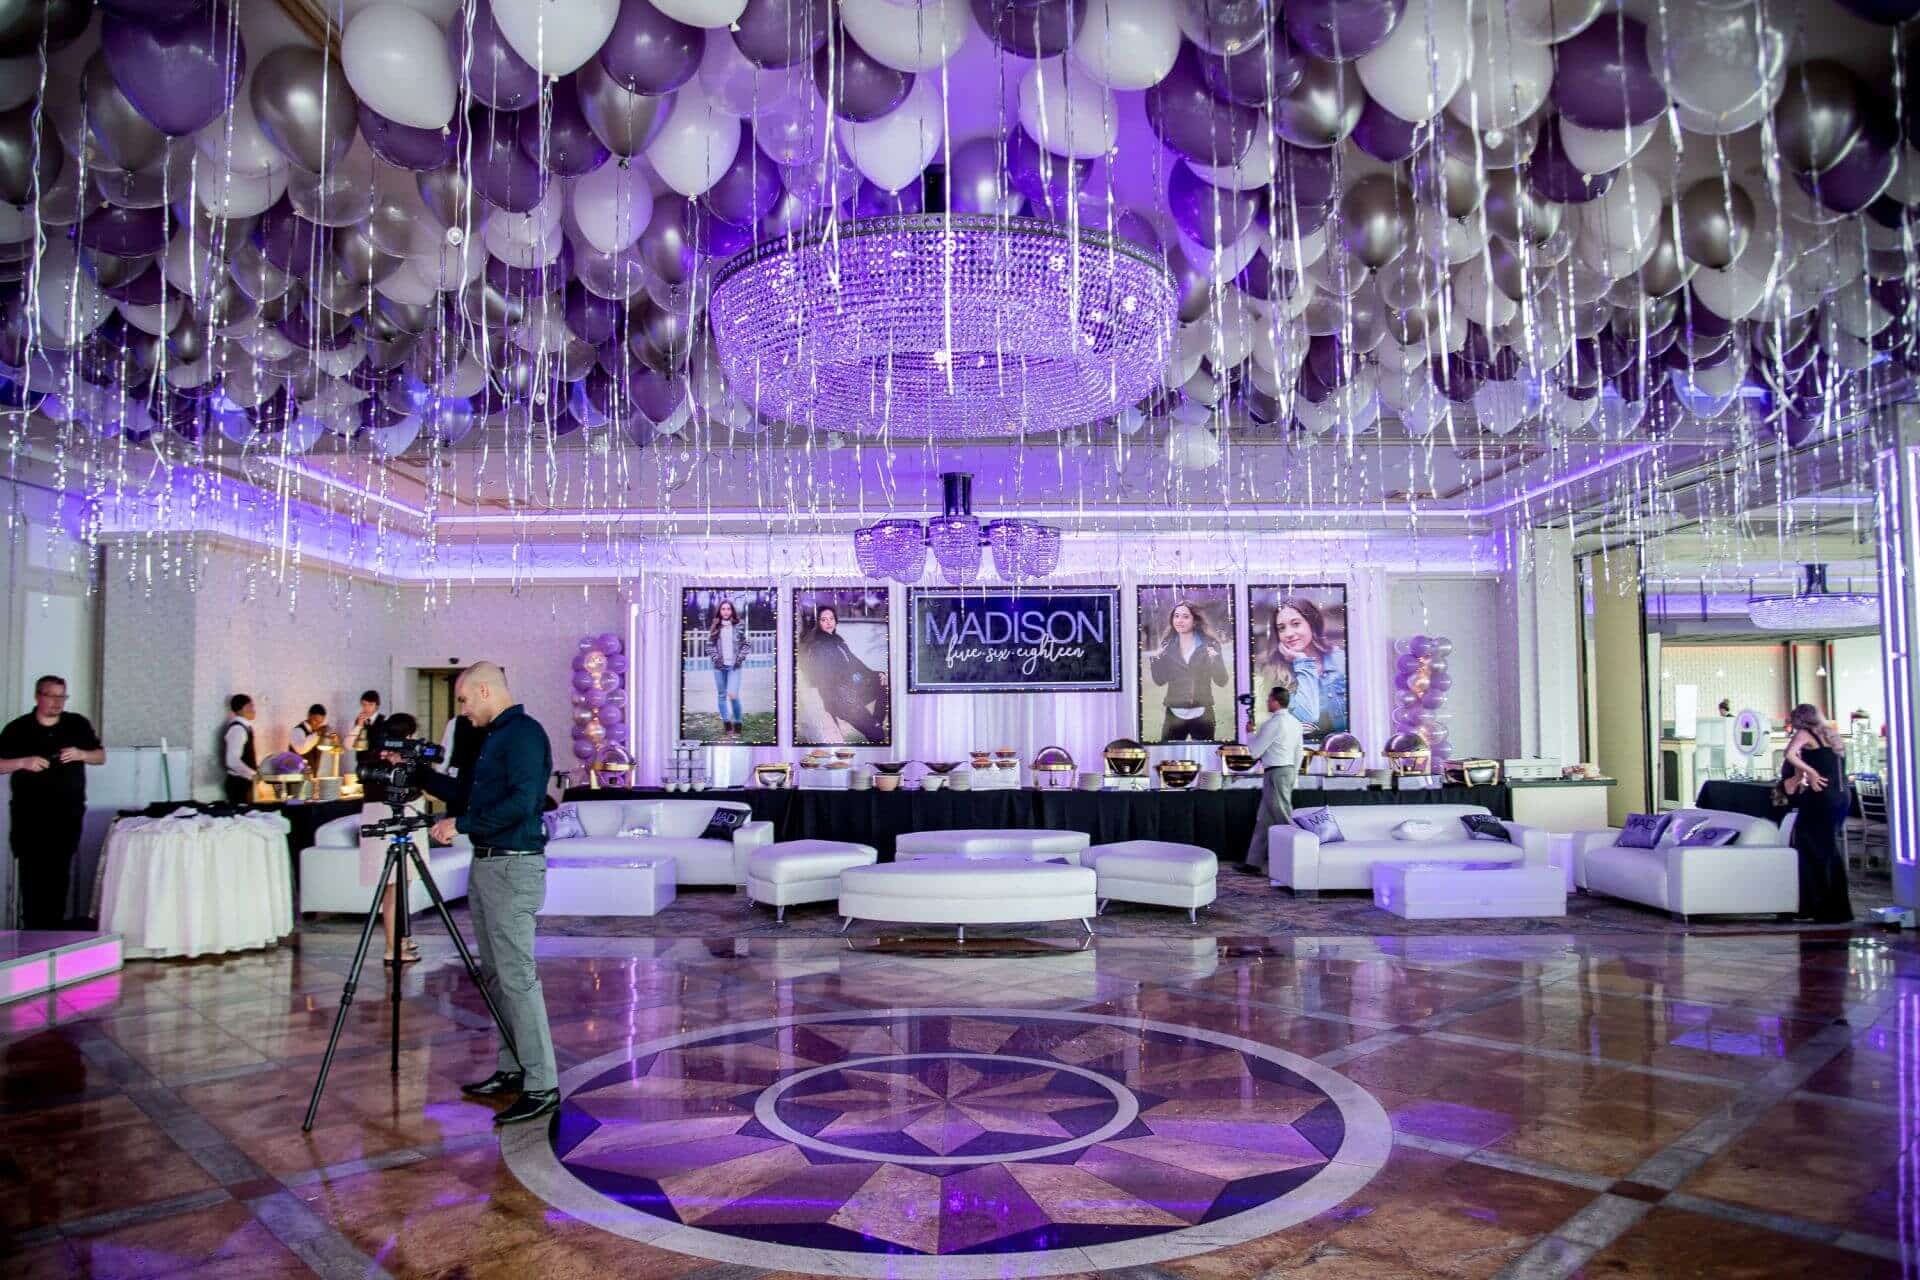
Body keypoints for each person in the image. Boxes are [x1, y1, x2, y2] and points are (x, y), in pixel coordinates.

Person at [414, 662, 558, 1126]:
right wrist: (417, 773)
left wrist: (464, 824)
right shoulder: (490, 737)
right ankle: (513, 1066)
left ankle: (542, 1085)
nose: (462, 710)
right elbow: (464, 794)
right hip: (488, 864)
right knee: (495, 975)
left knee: (517, 977)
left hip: (513, 867)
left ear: (483, 690)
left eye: (463, 700)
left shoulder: (525, 735)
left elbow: (523, 802)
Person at [0, 677, 105, 929]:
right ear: (38, 696)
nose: (57, 703)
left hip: (67, 814)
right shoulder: (18, 728)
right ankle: (32, 932)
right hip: (30, 816)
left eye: (62, 697)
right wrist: (23, 762)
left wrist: (81, 754)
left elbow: (100, 756)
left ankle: (54, 932)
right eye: (51, 696)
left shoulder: (76, 725)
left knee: (59, 875)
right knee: (32, 875)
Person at [360, 712, 425, 966]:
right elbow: (413, 788)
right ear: (407, 735)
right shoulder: (394, 759)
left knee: (398, 887)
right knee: (394, 889)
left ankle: (400, 939)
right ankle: (392, 946)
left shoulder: (374, 754)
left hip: (378, 815)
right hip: (391, 817)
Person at [1781, 703, 1854, 924]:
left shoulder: (1805, 734)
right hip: (1840, 797)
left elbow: (1789, 754)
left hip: (1821, 796)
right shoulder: (1831, 735)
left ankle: (1819, 906)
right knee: (1829, 847)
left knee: (1813, 847)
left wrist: (1810, 772)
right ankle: (1837, 908)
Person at [796, 604, 887, 744]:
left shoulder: (837, 641)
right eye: (823, 620)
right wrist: (857, 680)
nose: (828, 623)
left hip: (852, 692)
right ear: (818, 623)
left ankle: (875, 723)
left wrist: (877, 674)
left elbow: (856, 664)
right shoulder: (818, 647)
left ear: (836, 621)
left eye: (831, 619)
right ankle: (874, 726)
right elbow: (829, 679)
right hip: (840, 700)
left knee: (885, 682)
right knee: (877, 735)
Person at [1257, 597, 1349, 734]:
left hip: (1342, 749)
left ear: (1312, 623)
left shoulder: (1339, 659)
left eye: (1295, 624)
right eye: (1281, 628)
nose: (1288, 634)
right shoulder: (1275, 673)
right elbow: (1307, 718)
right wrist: (1302, 662)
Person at [1243, 685, 1304, 873]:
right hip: (1287, 771)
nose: (1267, 702)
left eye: (1269, 699)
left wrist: (1250, 733)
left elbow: (1254, 752)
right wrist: (1295, 777)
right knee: (1264, 819)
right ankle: (1253, 863)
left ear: (1276, 701)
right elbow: (1298, 752)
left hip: (1275, 773)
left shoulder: (1273, 723)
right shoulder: (1295, 722)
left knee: (1283, 816)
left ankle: (1298, 861)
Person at [1148, 600, 1229, 741]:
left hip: (1203, 714)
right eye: (1176, 616)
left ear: (1195, 620)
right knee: (1169, 758)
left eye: (1185, 617)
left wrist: (1215, 659)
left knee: (1205, 758)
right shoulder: (1167, 646)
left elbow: (1222, 681)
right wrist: (1156, 659)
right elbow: (1160, 680)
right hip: (1174, 714)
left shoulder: (1210, 645)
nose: (1179, 620)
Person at [708, 598, 751, 740]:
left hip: (734, 667)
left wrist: (740, 658)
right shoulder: (715, 626)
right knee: (721, 695)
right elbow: (710, 646)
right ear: (720, 611)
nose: (726, 611)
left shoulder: (739, 625)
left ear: (732, 610)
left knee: (732, 694)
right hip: (719, 668)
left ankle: (738, 723)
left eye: (728, 609)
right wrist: (715, 658)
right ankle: (727, 723)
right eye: (723, 609)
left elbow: (746, 645)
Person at [222, 694, 259, 805]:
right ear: (243, 708)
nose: (254, 710)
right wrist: (253, 774)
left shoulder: (245, 728)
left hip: (244, 781)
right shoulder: (238, 729)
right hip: (238, 783)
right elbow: (232, 761)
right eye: (251, 706)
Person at [351, 690, 387, 775]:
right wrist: (359, 725)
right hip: (362, 762)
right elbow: (353, 742)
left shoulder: (384, 720)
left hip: (379, 763)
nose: (366, 708)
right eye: (364, 705)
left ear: (377, 705)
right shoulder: (359, 720)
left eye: (370, 705)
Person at [290, 704, 329, 773]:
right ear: (309, 716)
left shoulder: (316, 733)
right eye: (315, 721)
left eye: (320, 722)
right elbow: (301, 749)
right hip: (296, 777)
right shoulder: (297, 731)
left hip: (312, 777)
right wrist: (317, 733)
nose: (317, 725)